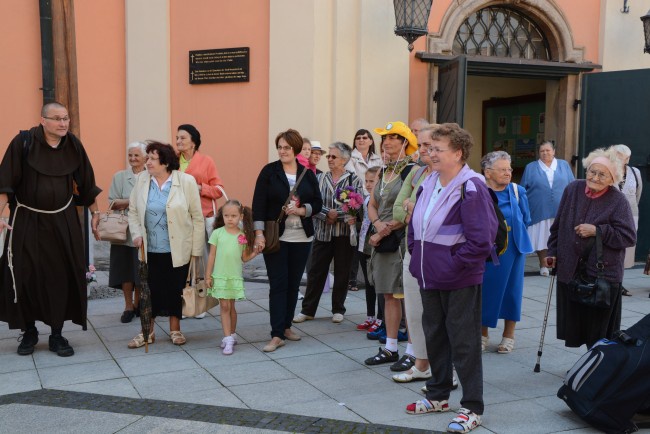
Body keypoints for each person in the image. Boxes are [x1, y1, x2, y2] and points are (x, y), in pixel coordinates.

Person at [406, 123, 497, 433]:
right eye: (429, 148)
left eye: (437, 149)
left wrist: (452, 265)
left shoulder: (471, 187)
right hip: (428, 275)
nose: (430, 154)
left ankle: (472, 407)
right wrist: (415, 254)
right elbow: (415, 224)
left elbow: (481, 241)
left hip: (458, 278)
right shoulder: (430, 181)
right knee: (435, 334)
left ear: (458, 153)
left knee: (464, 341)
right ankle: (438, 394)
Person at [0, 102, 102, 357]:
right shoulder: (23, 142)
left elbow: (87, 182)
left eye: (66, 118)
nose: (63, 123)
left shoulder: (74, 145)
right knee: (26, 273)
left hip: (62, 220)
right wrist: (1, 213)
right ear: (43, 120)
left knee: (60, 274)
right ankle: (29, 331)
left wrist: (96, 214)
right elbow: (6, 181)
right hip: (26, 219)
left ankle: (57, 334)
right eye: (57, 118)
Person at [547, 147, 636, 348]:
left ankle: (597, 367)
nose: (594, 177)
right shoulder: (573, 189)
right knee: (576, 326)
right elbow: (558, 225)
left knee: (599, 330)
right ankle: (586, 367)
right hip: (571, 270)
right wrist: (552, 252)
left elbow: (628, 236)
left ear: (612, 178)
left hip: (602, 276)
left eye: (602, 174)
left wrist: (598, 231)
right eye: (592, 171)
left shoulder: (618, 200)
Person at [127, 141, 204, 348]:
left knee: (175, 289)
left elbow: (197, 217)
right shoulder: (143, 179)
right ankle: (147, 332)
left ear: (165, 162)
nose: (147, 162)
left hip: (178, 248)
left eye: (152, 158)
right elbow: (133, 210)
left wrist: (196, 250)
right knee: (148, 289)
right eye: (148, 158)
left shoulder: (185, 181)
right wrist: (136, 234)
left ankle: (175, 329)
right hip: (149, 247)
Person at [252, 129, 322, 352]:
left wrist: (302, 210)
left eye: (286, 147)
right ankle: (276, 334)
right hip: (276, 237)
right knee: (278, 284)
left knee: (293, 284)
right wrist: (259, 233)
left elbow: (318, 203)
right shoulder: (269, 172)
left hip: (302, 237)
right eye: (279, 147)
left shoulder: (307, 174)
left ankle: (287, 326)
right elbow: (258, 204)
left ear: (296, 149)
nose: (282, 151)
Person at [363, 121, 417, 368]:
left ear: (406, 142)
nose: (387, 141)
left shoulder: (412, 171)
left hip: (401, 241)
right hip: (383, 240)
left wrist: (384, 230)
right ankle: (390, 347)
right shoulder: (384, 172)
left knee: (407, 296)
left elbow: (410, 210)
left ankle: (414, 350)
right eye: (385, 137)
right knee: (387, 294)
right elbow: (372, 203)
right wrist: (376, 225)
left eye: (394, 137)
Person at [293, 142, 363, 324]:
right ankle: (308, 310)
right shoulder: (320, 178)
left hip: (343, 233)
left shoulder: (353, 180)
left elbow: (357, 204)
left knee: (342, 271)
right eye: (328, 156)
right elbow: (312, 201)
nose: (329, 160)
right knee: (316, 271)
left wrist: (337, 215)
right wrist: (326, 214)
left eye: (333, 157)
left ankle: (338, 309)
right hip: (322, 232)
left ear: (344, 160)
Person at [390, 127, 436, 381]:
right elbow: (398, 209)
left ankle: (441, 364)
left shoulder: (447, 176)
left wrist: (413, 207)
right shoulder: (417, 172)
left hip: (437, 251)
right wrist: (411, 209)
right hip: (413, 247)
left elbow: (433, 211)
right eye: (420, 145)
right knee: (414, 308)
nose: (423, 150)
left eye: (428, 145)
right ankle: (421, 362)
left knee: (438, 311)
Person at [480, 151, 533, 354]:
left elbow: (526, 218)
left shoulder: (518, 191)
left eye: (509, 169)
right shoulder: (480, 191)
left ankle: (508, 336)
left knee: (512, 291)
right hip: (488, 249)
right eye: (502, 169)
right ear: (488, 172)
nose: (508, 173)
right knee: (485, 290)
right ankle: (482, 334)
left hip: (513, 248)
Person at [175, 124, 224, 319]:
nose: (178, 142)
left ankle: (201, 298)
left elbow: (218, 190)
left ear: (194, 142)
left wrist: (200, 187)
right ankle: (187, 300)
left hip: (202, 216)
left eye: (183, 138)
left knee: (201, 258)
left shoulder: (206, 161)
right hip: (180, 218)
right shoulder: (172, 161)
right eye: (177, 138)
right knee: (183, 259)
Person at [206, 200, 258, 355]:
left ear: (240, 216)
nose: (230, 219)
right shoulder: (217, 233)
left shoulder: (242, 236)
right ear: (222, 216)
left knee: (232, 307)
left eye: (233, 216)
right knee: (224, 306)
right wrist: (208, 276)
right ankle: (227, 338)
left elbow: (244, 258)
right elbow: (212, 256)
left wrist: (255, 253)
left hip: (234, 276)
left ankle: (232, 334)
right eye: (226, 215)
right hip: (220, 276)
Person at [520, 141, 574, 276]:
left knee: (561, 238)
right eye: (542, 151)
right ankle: (543, 265)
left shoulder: (563, 165)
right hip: (538, 209)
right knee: (542, 238)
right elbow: (522, 189)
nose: (545, 153)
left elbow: (572, 185)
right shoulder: (531, 167)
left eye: (548, 150)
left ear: (554, 151)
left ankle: (560, 265)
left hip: (561, 209)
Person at [108, 141, 147, 323]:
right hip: (123, 232)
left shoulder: (151, 176)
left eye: (136, 155)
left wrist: (128, 201)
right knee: (125, 270)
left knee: (140, 270)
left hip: (143, 231)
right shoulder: (120, 177)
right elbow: (112, 203)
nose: (132, 158)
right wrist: (134, 201)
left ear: (146, 157)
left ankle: (139, 304)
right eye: (130, 155)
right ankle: (128, 306)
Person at [345, 129, 383, 292]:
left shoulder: (377, 159)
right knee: (357, 240)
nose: (361, 140)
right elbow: (350, 180)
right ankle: (352, 279)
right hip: (358, 201)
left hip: (376, 201)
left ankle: (372, 277)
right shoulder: (350, 158)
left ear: (370, 141)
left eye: (365, 137)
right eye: (358, 138)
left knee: (370, 237)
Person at [611, 144, 642, 296]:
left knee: (626, 251)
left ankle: (619, 283)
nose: (618, 158)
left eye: (622, 156)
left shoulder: (635, 172)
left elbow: (637, 194)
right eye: (616, 155)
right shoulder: (608, 171)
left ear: (627, 159)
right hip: (611, 217)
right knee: (612, 249)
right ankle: (612, 282)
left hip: (631, 216)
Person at [355, 167, 383, 331]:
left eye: (371, 181)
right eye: (366, 181)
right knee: (368, 282)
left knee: (378, 283)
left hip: (374, 243)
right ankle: (370, 316)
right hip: (363, 243)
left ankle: (380, 318)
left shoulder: (379, 199)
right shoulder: (365, 199)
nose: (368, 184)